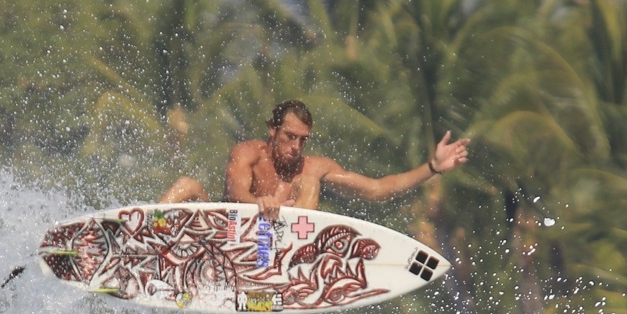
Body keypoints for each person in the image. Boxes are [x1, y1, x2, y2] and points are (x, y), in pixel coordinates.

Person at [159, 99, 468, 221]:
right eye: (289, 137)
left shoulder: (313, 167)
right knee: (187, 185)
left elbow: (377, 189)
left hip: (280, 253)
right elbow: (236, 191)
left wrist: (433, 167)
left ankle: (293, 253)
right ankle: (132, 246)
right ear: (272, 129)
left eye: (302, 140)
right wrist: (259, 203)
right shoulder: (248, 153)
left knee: (308, 182)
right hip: (229, 235)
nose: (296, 147)